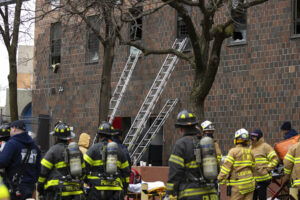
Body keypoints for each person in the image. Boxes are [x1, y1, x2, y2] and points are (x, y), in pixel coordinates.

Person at [166, 110, 218, 200]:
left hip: (191, 194)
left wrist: (170, 192)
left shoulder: (181, 144)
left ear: (181, 129)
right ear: (195, 126)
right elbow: (217, 167)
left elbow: (175, 172)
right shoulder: (206, 143)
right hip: (211, 193)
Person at [37, 122, 85, 200]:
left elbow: (42, 172)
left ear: (56, 137)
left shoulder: (53, 151)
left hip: (57, 192)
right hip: (76, 192)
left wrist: (40, 189)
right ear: (69, 137)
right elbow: (83, 171)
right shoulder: (77, 151)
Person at [84, 121, 130, 200]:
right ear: (111, 135)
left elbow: (83, 168)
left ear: (100, 136)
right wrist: (125, 190)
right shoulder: (120, 150)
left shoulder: (93, 149)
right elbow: (126, 173)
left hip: (97, 189)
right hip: (116, 190)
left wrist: (89, 181)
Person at [0, 120, 41, 200]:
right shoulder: (35, 147)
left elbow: (2, 162)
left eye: (11, 129)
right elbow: (38, 168)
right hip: (30, 186)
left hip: (14, 187)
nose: (10, 132)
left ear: (14, 128)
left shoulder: (12, 143)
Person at [218, 128, 255, 200]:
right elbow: (253, 167)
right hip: (250, 184)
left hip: (238, 186)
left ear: (236, 140)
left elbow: (226, 167)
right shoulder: (250, 151)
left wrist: (219, 178)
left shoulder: (233, 151)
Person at [250, 129, 279, 200]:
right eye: (251, 136)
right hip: (252, 179)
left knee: (262, 197)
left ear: (259, 137)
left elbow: (275, 159)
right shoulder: (250, 148)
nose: (252, 138)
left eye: (254, 136)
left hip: (263, 179)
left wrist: (267, 169)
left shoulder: (265, 146)